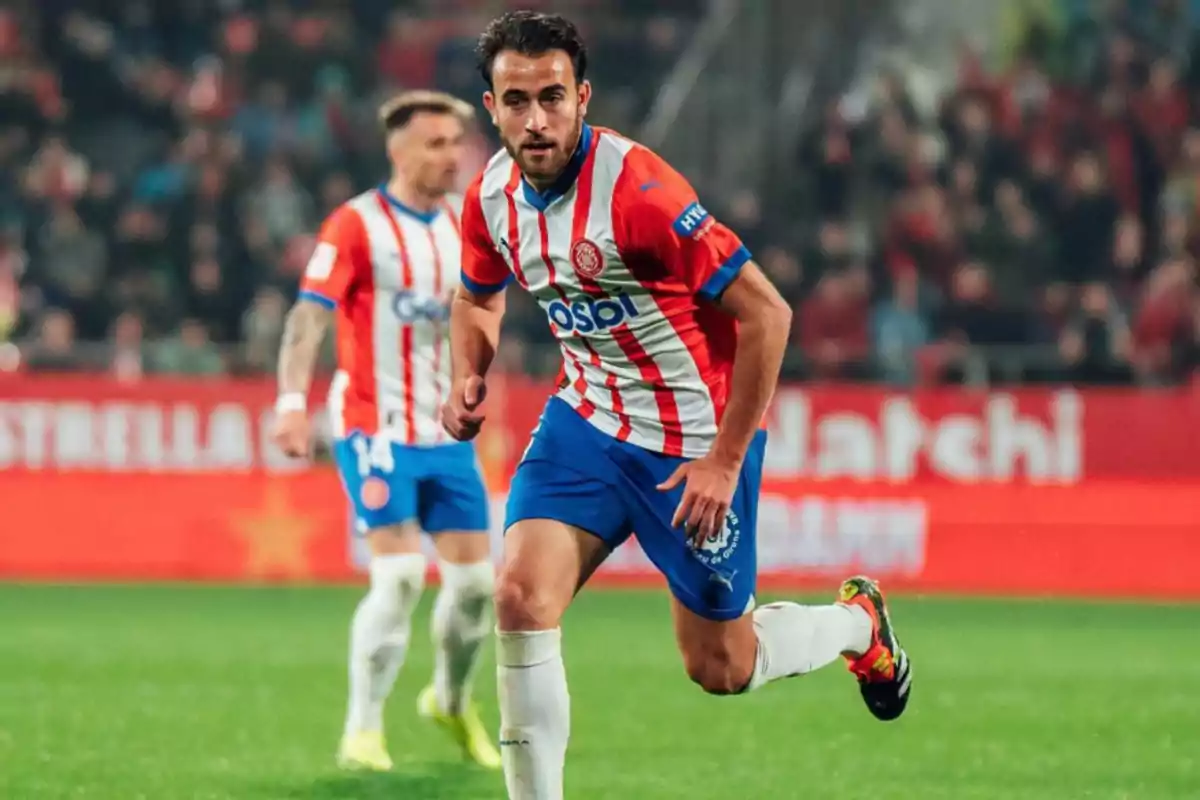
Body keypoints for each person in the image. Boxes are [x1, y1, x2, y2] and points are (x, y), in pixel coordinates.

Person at [442, 12, 914, 799]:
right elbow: (476, 295)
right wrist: (472, 370)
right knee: (520, 596)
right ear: (491, 109)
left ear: (582, 97)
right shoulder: (490, 196)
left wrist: (724, 460)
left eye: (552, 97)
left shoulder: (641, 193)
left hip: (690, 443)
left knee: (721, 668)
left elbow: (769, 314)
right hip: (586, 423)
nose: (536, 119)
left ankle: (858, 627)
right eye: (516, 101)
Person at [271, 90, 501, 773]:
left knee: (476, 590)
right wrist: (290, 400)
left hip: (446, 435)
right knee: (400, 576)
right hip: (374, 427)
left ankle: (451, 702)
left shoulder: (464, 226)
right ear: (398, 152)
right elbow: (308, 317)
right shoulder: (355, 225)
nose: (451, 155)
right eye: (436, 143)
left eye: (456, 143)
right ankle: (362, 731)